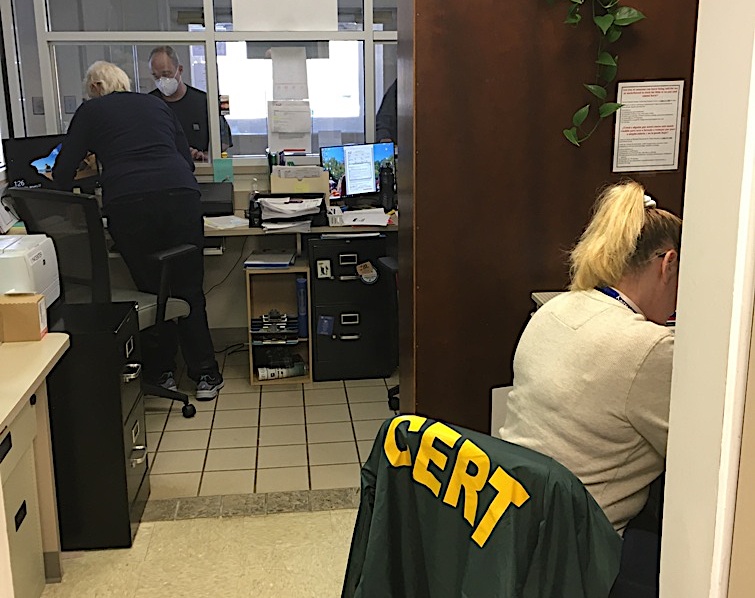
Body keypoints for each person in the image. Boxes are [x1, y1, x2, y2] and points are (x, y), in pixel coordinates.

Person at [500, 179, 681, 534]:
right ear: (668, 265)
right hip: (580, 546)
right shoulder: (649, 348)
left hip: (513, 520)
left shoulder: (554, 309)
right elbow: (704, 452)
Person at [52, 61, 224, 400]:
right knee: (189, 289)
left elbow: (62, 171)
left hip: (129, 203)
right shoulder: (155, 105)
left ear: (96, 87)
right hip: (181, 197)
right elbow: (186, 161)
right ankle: (206, 375)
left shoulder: (91, 111)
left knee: (152, 289)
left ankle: (161, 373)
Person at [148, 46, 232, 162]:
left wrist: (207, 155)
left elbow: (224, 139)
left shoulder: (205, 102)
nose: (161, 80)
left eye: (166, 74)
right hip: (162, 168)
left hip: (200, 169)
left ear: (180, 69)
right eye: (156, 76)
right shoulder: (149, 104)